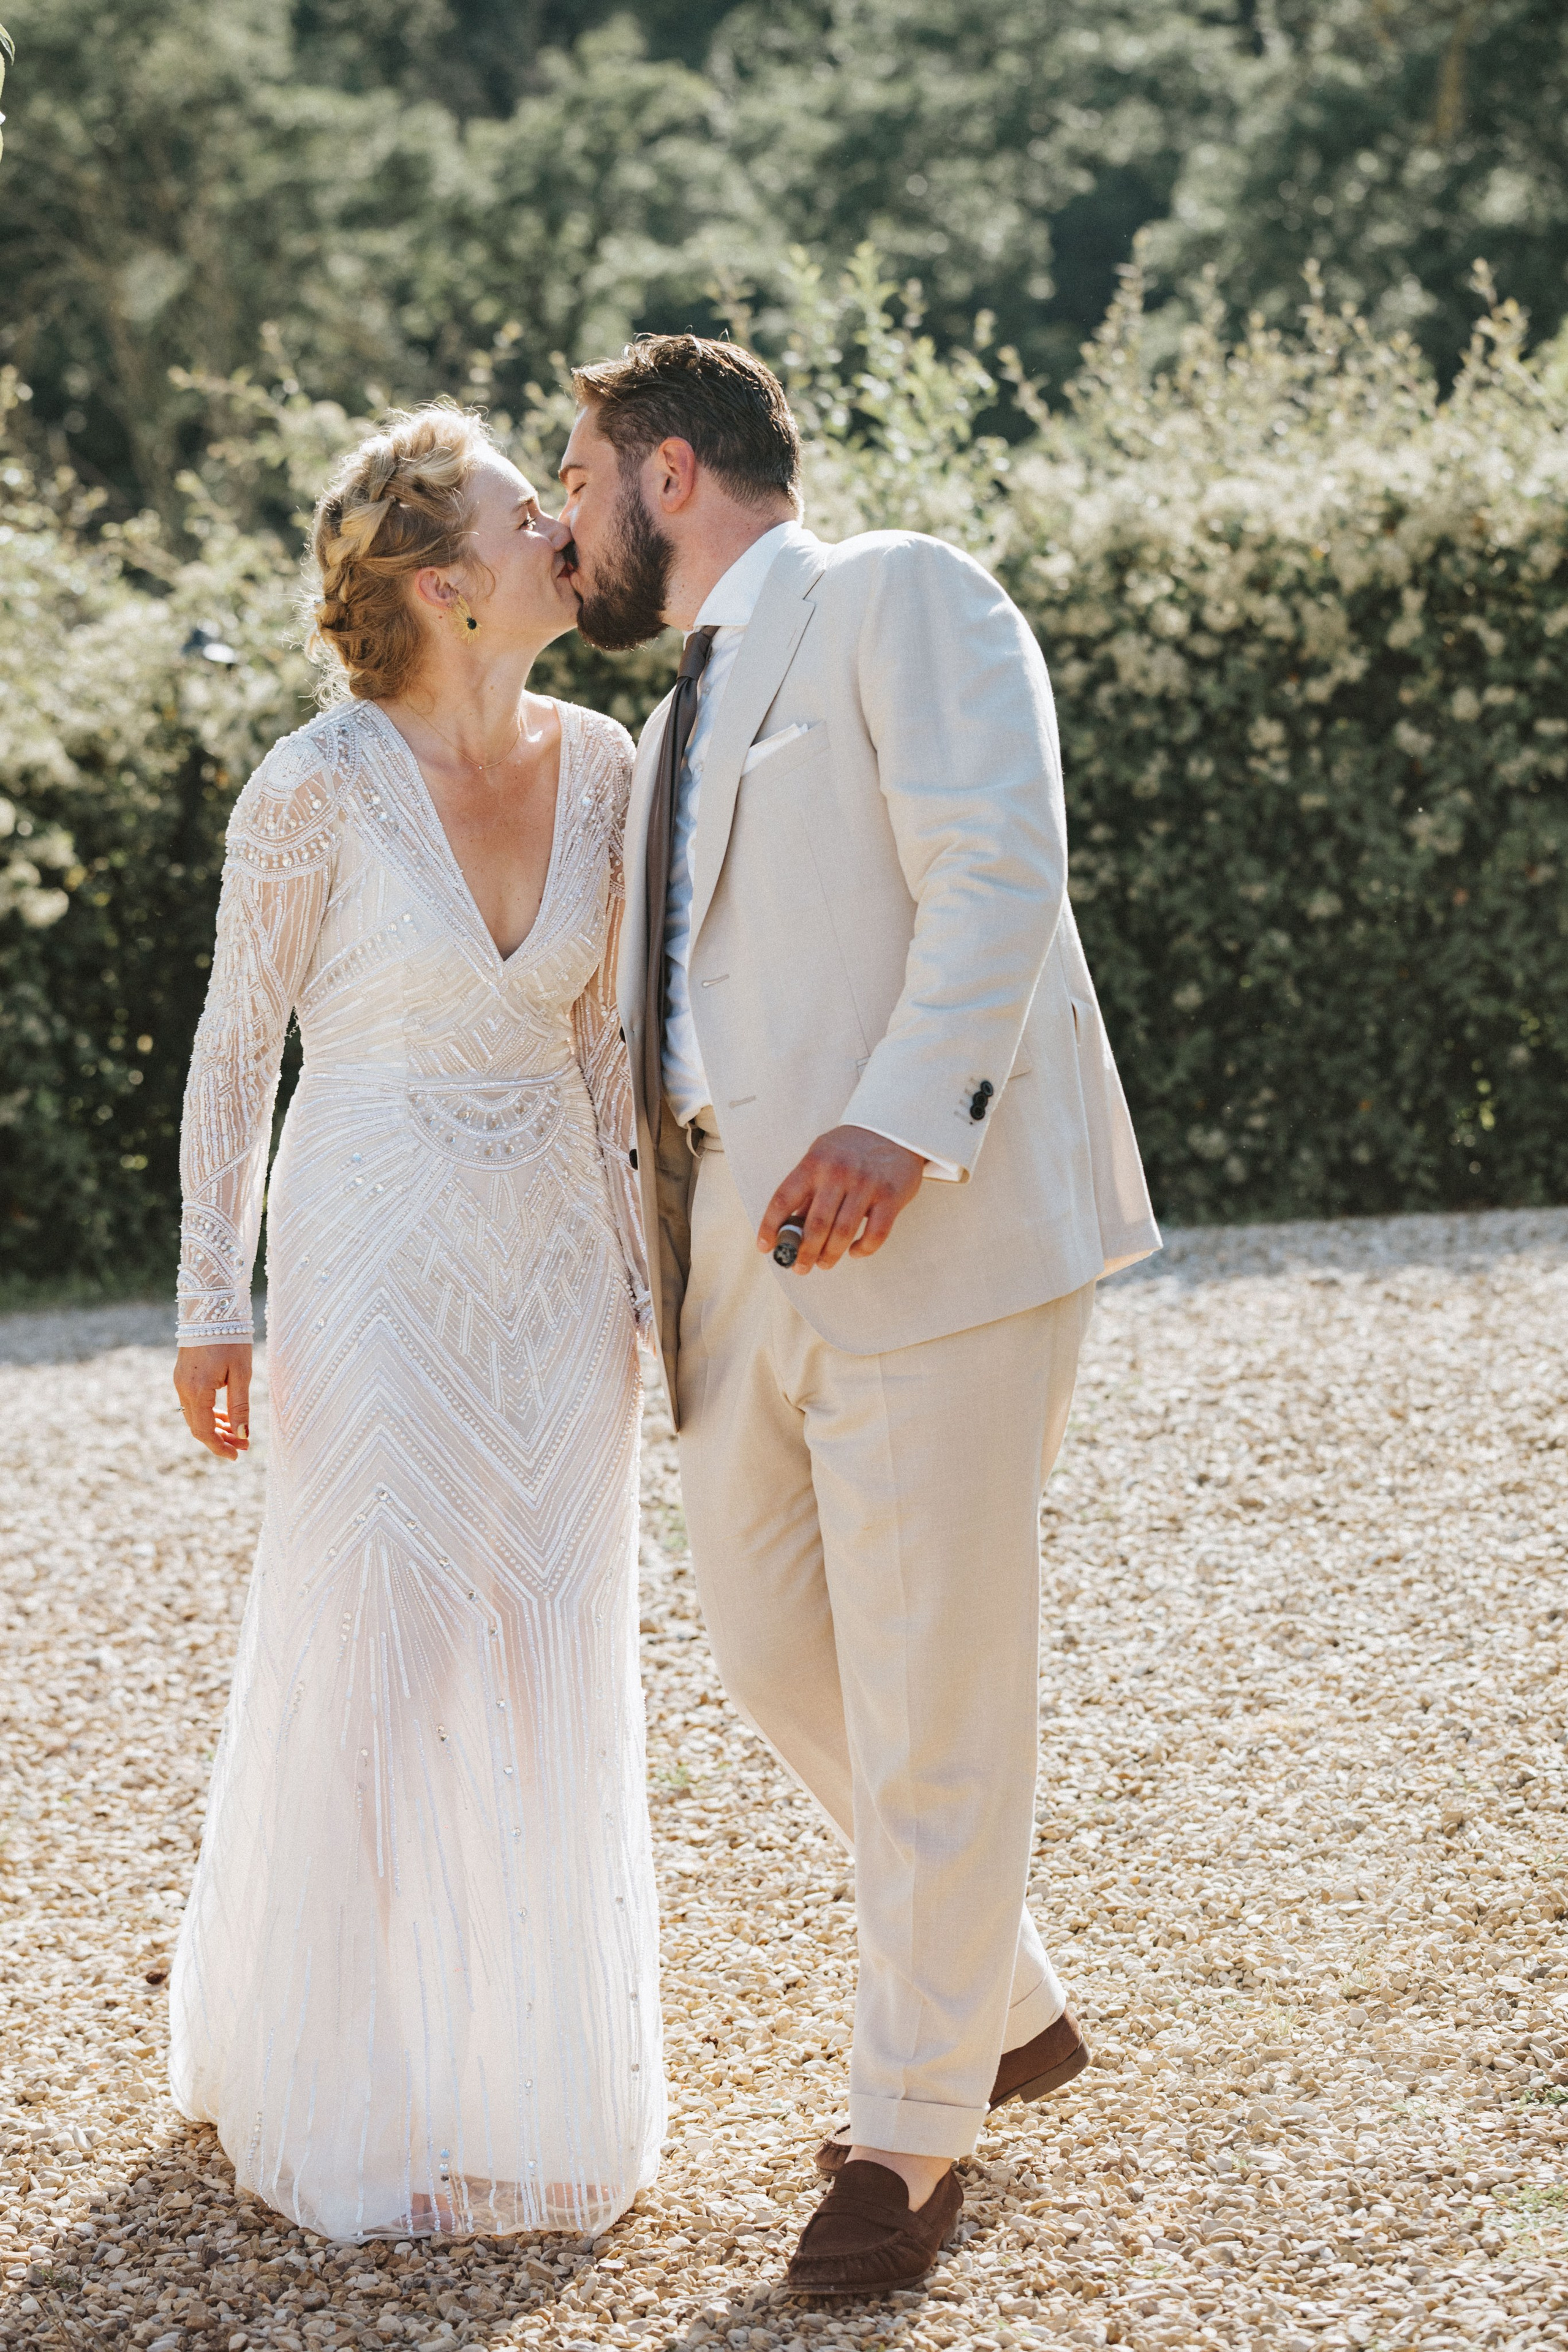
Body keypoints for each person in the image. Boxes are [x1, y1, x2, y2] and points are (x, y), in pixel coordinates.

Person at [558, 336, 1160, 2296]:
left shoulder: (902, 593)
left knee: (934, 1684)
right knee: (769, 1651)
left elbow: (998, 864)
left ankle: (908, 2139)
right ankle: (1007, 2002)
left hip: (925, 1223)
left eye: (575, 479)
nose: (565, 522)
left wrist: (902, 1122)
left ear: (666, 471)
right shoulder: (668, 728)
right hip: (732, 1251)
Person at [169, 403, 661, 2242]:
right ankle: (342, 2081)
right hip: (370, 1248)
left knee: (549, 1639)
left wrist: (651, 1289)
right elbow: (236, 1055)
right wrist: (214, 1304)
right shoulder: (314, 785)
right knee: (382, 1644)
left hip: (556, 1261)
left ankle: (530, 2077)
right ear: (449, 586)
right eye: (530, 513)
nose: (564, 527)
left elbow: (611, 1057)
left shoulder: (605, 764)